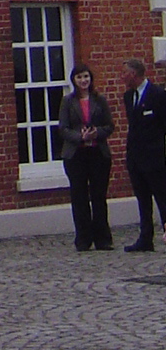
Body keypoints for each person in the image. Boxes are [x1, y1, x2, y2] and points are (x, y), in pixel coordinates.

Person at [58, 64, 113, 250]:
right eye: (80, 77)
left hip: (98, 153)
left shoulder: (100, 100)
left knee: (99, 197)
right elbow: (63, 128)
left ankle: (103, 239)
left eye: (86, 77)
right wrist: (80, 137)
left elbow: (109, 126)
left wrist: (96, 133)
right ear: (74, 80)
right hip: (76, 154)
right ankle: (83, 239)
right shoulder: (68, 101)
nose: (84, 80)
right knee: (79, 196)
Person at [122, 57, 166, 252]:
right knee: (143, 199)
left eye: (125, 73)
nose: (122, 77)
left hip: (155, 158)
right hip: (136, 158)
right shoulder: (128, 97)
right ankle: (145, 237)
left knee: (162, 198)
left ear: (134, 74)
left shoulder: (158, 95)